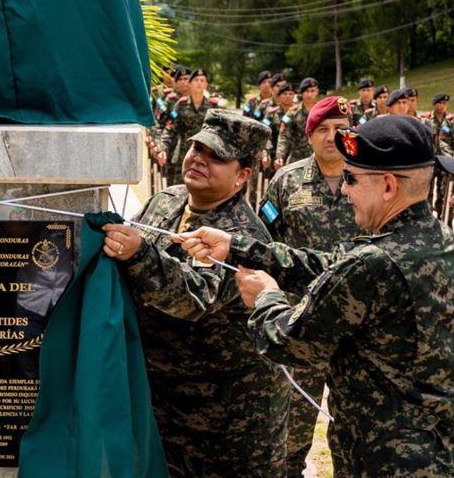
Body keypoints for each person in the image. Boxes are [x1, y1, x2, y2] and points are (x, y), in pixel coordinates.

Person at [180, 115, 454, 478]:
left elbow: (287, 341)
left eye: (351, 179)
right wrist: (238, 246)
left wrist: (266, 297)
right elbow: (329, 264)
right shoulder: (440, 241)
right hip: (438, 450)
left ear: (388, 187)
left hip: (383, 460)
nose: (344, 191)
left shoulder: (371, 264)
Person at [102, 109, 288, 477]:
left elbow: (195, 298)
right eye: (197, 148)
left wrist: (140, 253)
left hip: (225, 417)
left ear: (243, 175)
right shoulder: (166, 201)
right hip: (164, 400)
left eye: (217, 156)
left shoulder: (243, 237)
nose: (200, 159)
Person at [257, 95, 361, 477]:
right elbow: (263, 243)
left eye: (340, 128)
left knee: (359, 433)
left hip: (358, 325)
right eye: (323, 130)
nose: (332, 136)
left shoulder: (369, 175)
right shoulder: (286, 183)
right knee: (291, 433)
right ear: (310, 136)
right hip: (303, 322)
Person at [157, 68, 219, 185]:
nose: (199, 83)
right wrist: (163, 148)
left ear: (206, 84)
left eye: (202, 80)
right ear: (190, 84)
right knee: (179, 189)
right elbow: (170, 129)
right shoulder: (181, 104)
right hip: (184, 155)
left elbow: (219, 131)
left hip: (206, 156)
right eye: (196, 80)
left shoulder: (213, 105)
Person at [275, 77, 320, 169]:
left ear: (317, 92)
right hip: (296, 161)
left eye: (312, 91)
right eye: (306, 91)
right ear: (301, 93)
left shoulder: (322, 112)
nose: (309, 94)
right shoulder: (292, 113)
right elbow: (284, 136)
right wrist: (280, 156)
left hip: (318, 159)